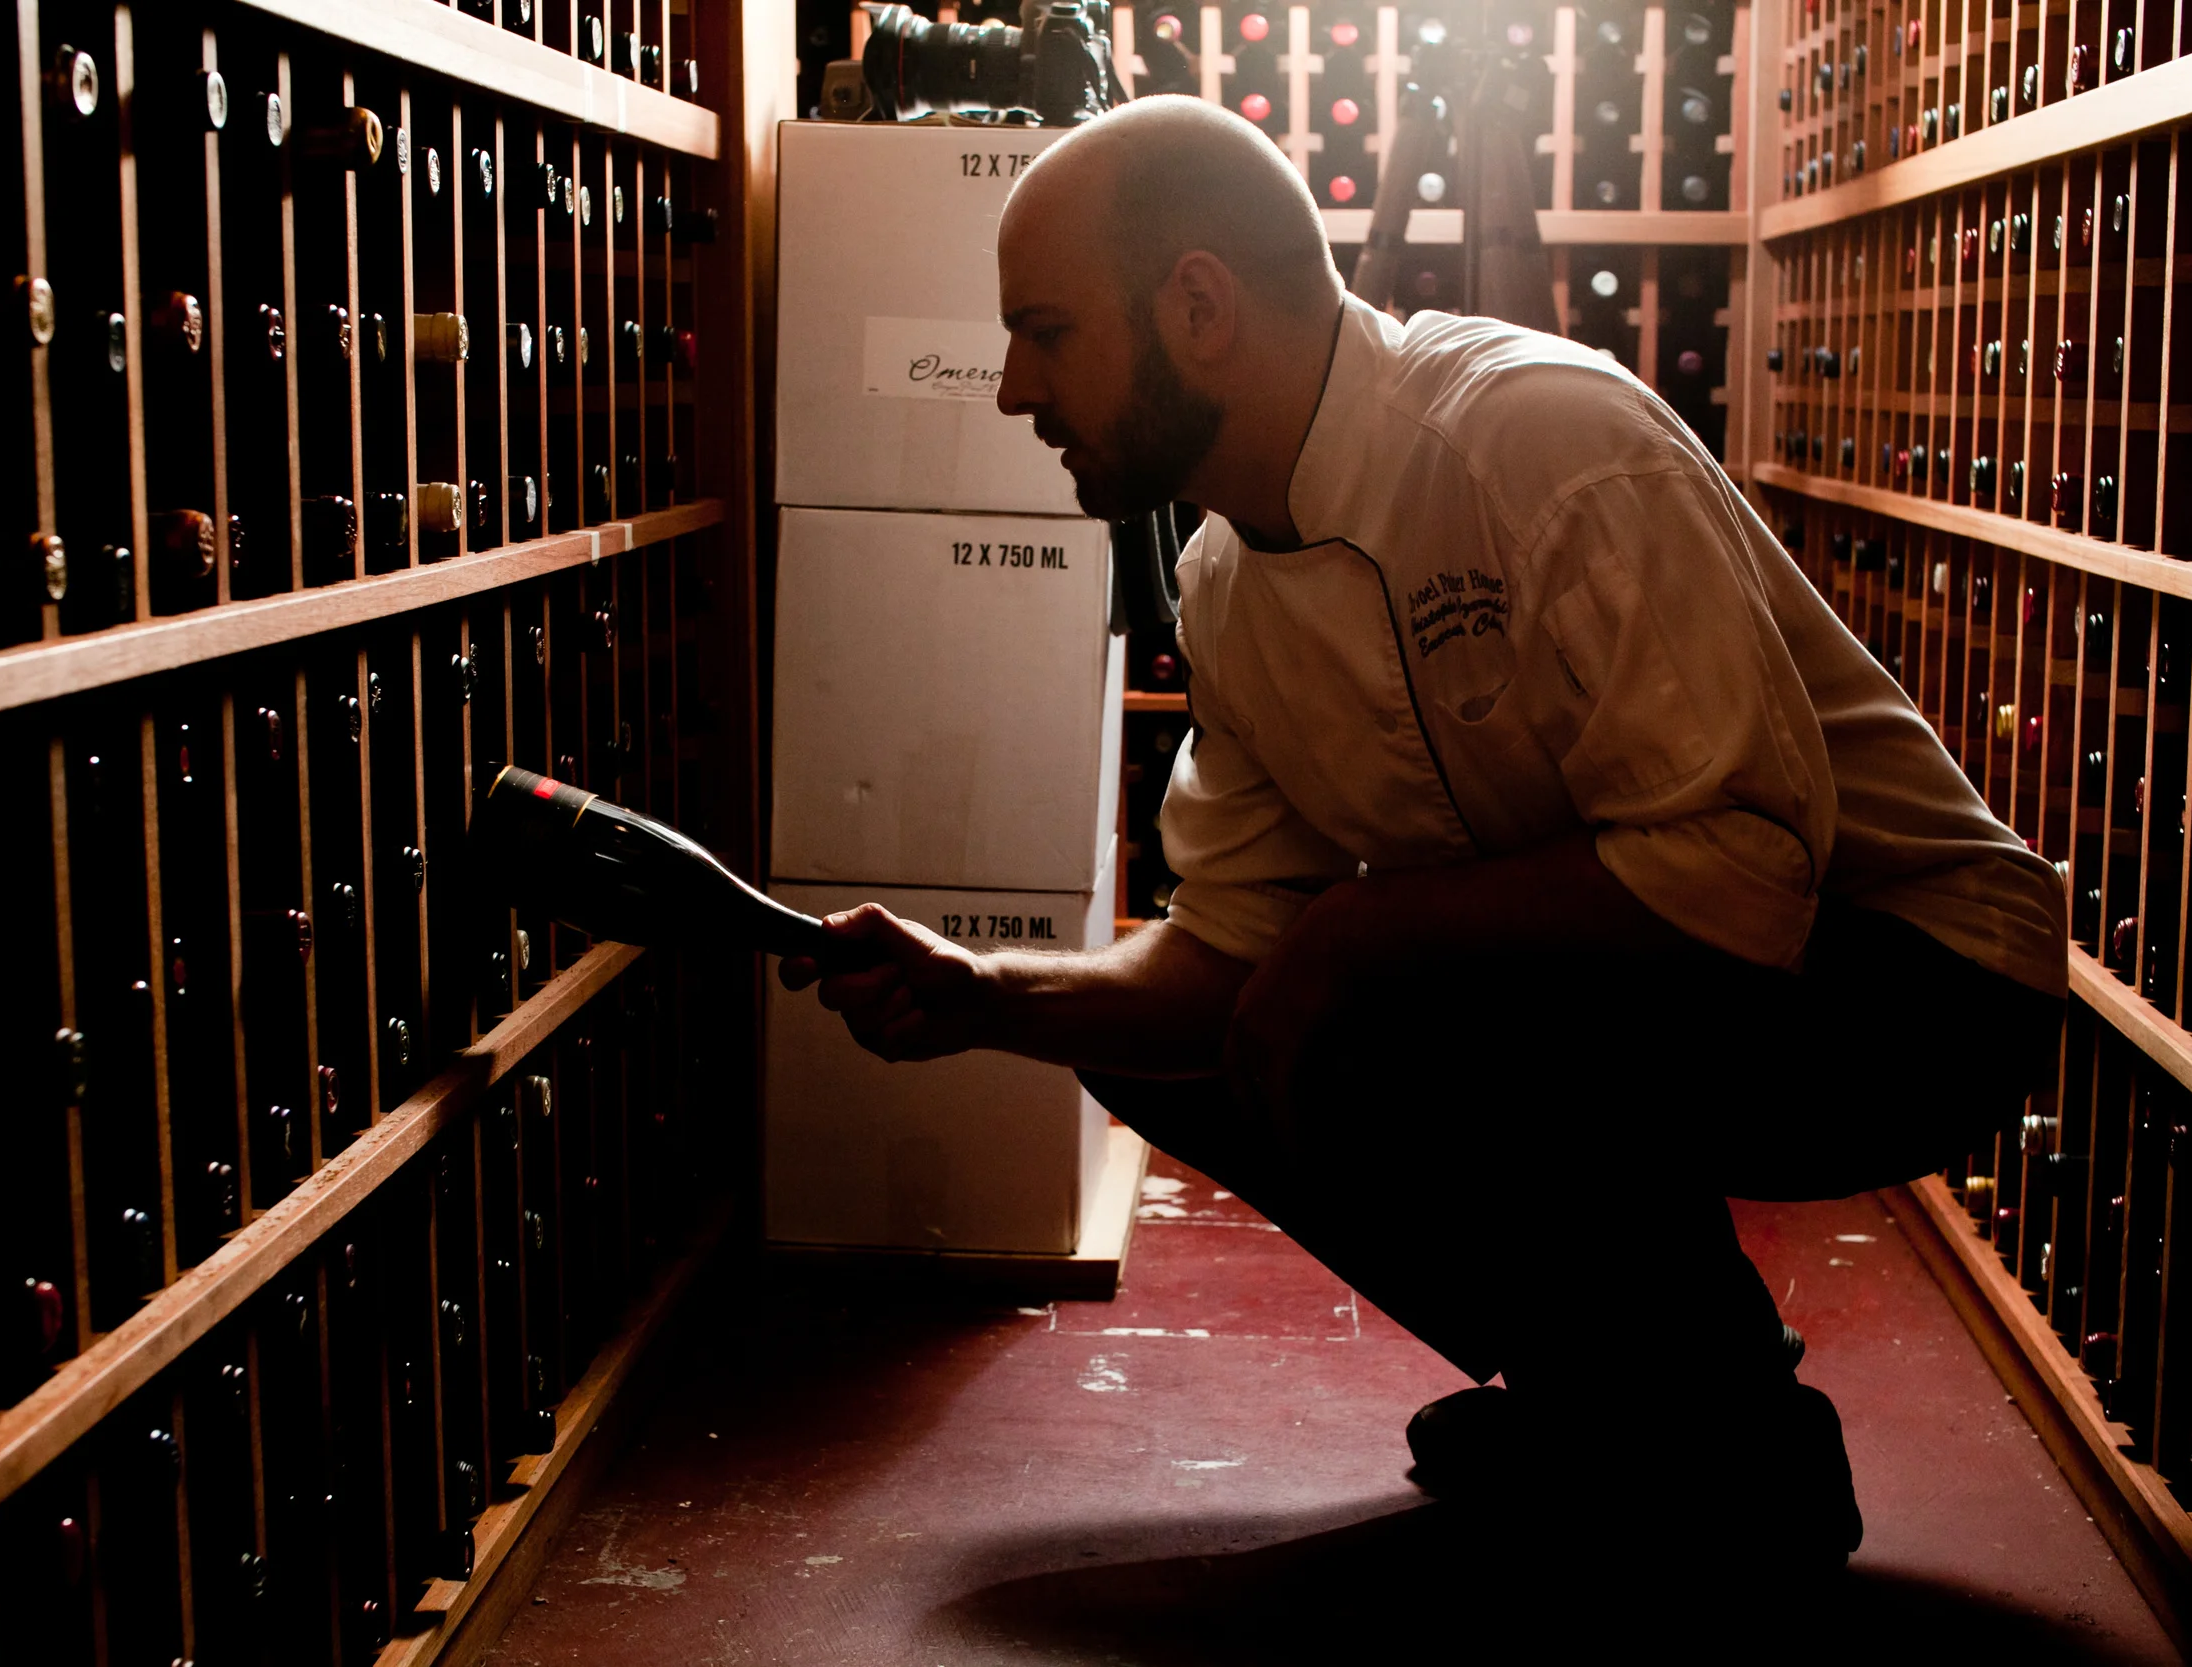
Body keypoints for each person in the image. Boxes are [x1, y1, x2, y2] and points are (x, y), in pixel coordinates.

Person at [778, 96, 2066, 1583]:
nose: (1013, 387)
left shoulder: (1537, 438)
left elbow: (1740, 871)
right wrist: (989, 994)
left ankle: (1741, 1458)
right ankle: (1620, 1413)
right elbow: (1231, 954)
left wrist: (1357, 933)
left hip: (1913, 977)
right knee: (1158, 1039)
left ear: (1197, 306)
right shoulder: (1230, 588)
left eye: (1047, 332)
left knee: (1408, 1000)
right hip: (1670, 981)